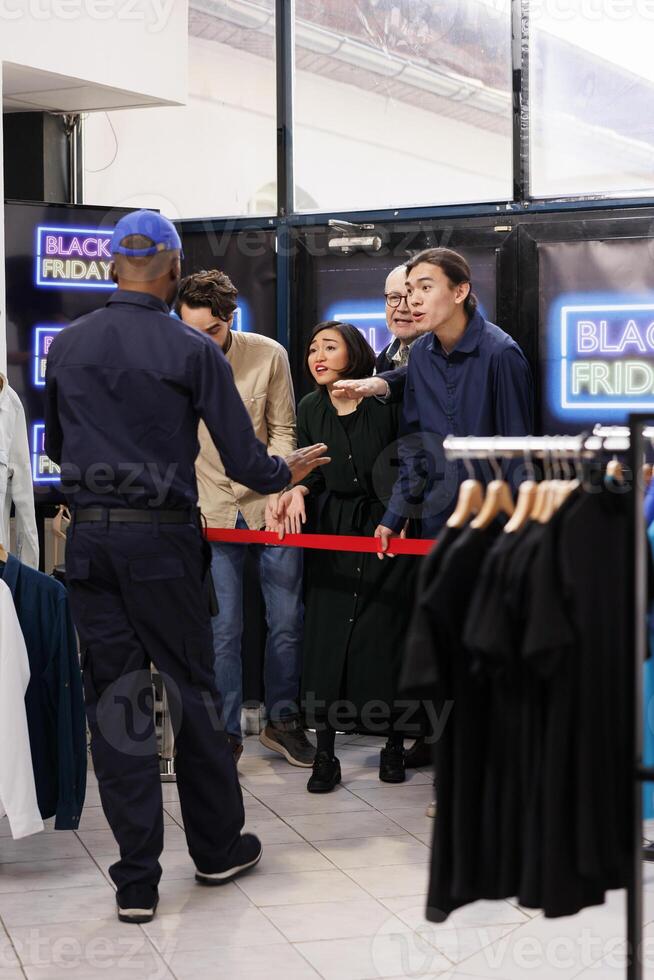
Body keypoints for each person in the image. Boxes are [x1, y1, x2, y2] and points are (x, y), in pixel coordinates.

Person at [44, 210, 329, 924]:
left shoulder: (68, 347)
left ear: (111, 267)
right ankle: (215, 848)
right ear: (173, 273)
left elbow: (60, 445)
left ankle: (136, 881)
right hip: (164, 545)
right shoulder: (191, 350)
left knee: (116, 704)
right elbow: (244, 462)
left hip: (91, 545)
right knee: (195, 697)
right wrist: (284, 468)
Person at [274, 322, 420, 793]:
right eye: (312, 347)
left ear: (354, 354)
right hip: (333, 529)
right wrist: (297, 488)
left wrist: (398, 516)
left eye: (329, 347)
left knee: (386, 634)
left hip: (385, 526)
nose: (316, 355)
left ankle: (394, 744)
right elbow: (317, 471)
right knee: (327, 640)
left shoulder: (387, 401)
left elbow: (409, 464)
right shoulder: (311, 407)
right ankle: (326, 755)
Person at [176, 269, 313, 768]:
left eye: (211, 331)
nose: (202, 343)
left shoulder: (268, 354)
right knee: (222, 628)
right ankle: (225, 734)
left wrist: (283, 486)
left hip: (269, 504)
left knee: (287, 622)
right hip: (207, 507)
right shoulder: (172, 358)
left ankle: (282, 723)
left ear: (230, 320)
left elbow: (283, 429)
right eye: (191, 331)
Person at [333, 247, 533, 543]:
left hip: (494, 527)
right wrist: (394, 516)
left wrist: (516, 535)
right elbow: (415, 448)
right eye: (410, 289)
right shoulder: (421, 358)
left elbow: (518, 456)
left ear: (460, 291)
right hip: (434, 522)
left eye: (426, 288)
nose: (413, 300)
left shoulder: (501, 353)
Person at [376, 264, 422, 373]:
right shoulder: (383, 359)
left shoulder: (444, 356)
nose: (402, 308)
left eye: (412, 298)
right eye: (394, 297)